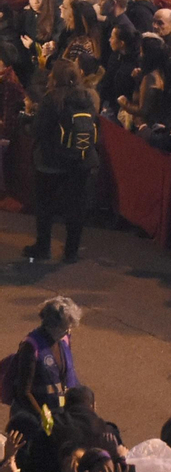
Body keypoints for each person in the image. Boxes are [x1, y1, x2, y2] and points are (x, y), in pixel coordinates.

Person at [27, 59, 100, 263]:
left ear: (54, 77)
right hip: (82, 159)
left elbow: (39, 130)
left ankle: (43, 248)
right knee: (76, 208)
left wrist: (27, 122)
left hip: (52, 161)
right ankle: (71, 251)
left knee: (45, 206)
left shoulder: (52, 99)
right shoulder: (88, 97)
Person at [8, 295, 83, 425]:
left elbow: (67, 375)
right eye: (64, 329)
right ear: (50, 325)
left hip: (58, 411)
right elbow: (24, 392)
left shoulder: (63, 339)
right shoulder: (31, 347)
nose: (67, 332)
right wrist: (42, 418)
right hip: (34, 416)